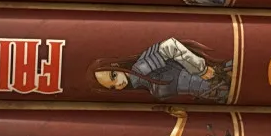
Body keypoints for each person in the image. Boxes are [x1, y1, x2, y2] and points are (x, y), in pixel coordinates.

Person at [89, 37, 231, 103]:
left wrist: (201, 70)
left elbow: (171, 46)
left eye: (114, 76)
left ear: (115, 66)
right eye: (112, 87)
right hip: (216, 92)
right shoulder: (141, 82)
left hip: (219, 81)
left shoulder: (142, 66)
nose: (118, 84)